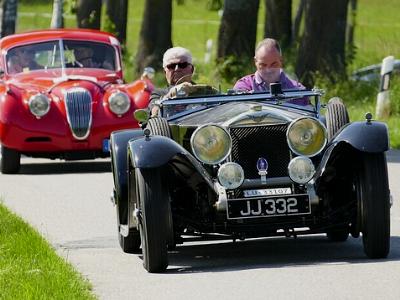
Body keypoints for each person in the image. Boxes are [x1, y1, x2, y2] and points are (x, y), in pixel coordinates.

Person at [233, 38, 309, 106]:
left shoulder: (297, 90)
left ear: (281, 60)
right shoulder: (244, 86)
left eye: (274, 64)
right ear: (255, 61)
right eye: (263, 65)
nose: (268, 69)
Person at [149, 46, 196, 116]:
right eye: (171, 66)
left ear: (191, 70)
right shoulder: (158, 94)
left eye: (182, 65)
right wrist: (171, 94)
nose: (177, 69)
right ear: (165, 72)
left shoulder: (204, 91)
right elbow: (155, 113)